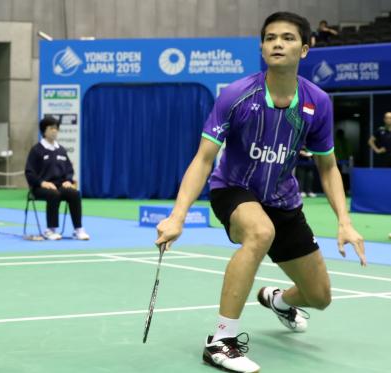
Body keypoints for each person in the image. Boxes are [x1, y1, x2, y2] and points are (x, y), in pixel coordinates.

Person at [154, 12, 365, 373]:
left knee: (320, 297)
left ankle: (279, 300)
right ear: (262, 47)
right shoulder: (237, 96)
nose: (277, 43)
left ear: (305, 49)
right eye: (269, 38)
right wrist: (177, 216)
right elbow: (204, 159)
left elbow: (327, 166)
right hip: (234, 190)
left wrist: (344, 222)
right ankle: (221, 341)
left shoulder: (317, 103)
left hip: (283, 201)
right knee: (260, 231)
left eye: (287, 38)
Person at [25, 116, 90, 240]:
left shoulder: (61, 150)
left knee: (74, 193)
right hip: (40, 188)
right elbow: (29, 172)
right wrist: (42, 183)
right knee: (53, 194)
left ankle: (78, 229)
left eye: (56, 128)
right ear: (44, 131)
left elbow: (69, 169)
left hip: (60, 185)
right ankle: (51, 230)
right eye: (51, 128)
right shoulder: (36, 150)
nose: (55, 131)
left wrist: (68, 180)